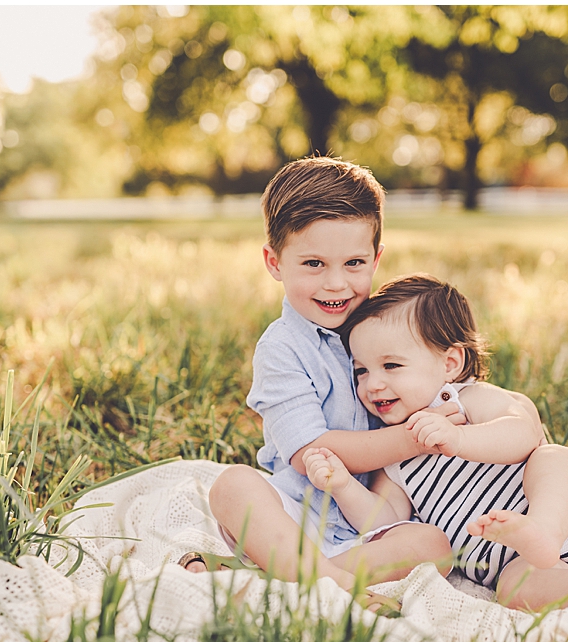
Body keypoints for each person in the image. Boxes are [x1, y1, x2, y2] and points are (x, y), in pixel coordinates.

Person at [302, 274, 568, 611]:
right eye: (361, 371)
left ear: (450, 364)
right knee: (514, 589)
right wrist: (343, 485)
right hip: (530, 564)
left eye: (391, 366)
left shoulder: (464, 400)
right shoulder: (393, 455)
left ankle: (543, 529)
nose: (373, 383)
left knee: (551, 459)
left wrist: (458, 436)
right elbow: (386, 520)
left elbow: (523, 431)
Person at [195, 158, 455, 613]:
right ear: (274, 263)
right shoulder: (281, 349)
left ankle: (300, 574)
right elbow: (312, 449)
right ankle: (333, 584)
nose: (336, 283)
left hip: (371, 519)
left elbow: (443, 377)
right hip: (293, 512)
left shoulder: (387, 329)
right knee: (233, 487)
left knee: (434, 545)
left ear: (377, 259)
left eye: (354, 263)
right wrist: (416, 438)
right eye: (313, 263)